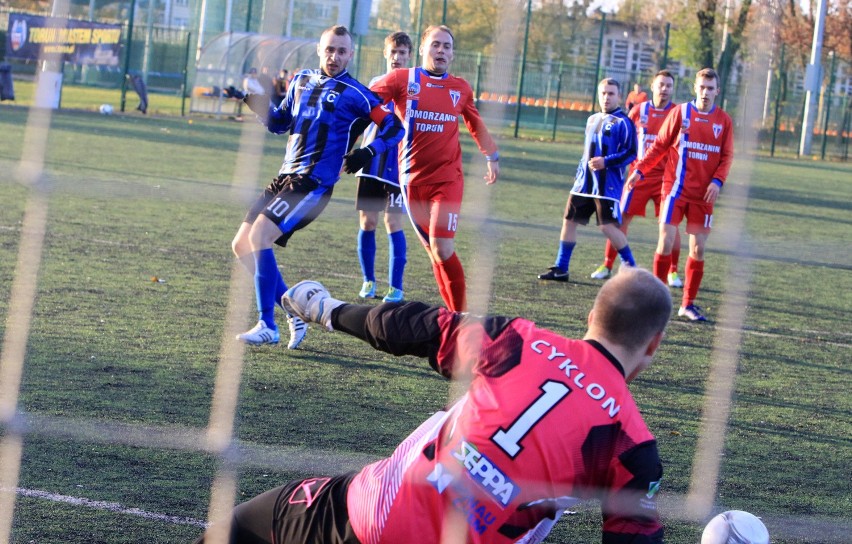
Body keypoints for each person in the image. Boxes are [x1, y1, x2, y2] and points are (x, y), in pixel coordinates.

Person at [194, 267, 670, 543]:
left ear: (591, 316)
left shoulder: (520, 341)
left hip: (373, 517)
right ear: (654, 346)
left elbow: (415, 325)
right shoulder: (632, 446)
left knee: (236, 531)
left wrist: (330, 311)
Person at [231, 25, 404, 348]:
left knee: (260, 236)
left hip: (314, 182)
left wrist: (367, 152)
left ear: (351, 54)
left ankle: (267, 323)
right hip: (285, 175)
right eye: (329, 49)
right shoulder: (300, 81)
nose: (334, 56)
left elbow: (395, 127)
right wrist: (257, 105)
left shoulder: (357, 94)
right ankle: (293, 310)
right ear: (319, 50)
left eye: (341, 51)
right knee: (242, 245)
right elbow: (282, 123)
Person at [370, 25, 500, 312]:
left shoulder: (461, 88)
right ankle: (456, 318)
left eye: (447, 46)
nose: (441, 50)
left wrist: (491, 155)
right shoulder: (402, 79)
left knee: (442, 248)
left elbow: (474, 123)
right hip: (412, 181)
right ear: (422, 49)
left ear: (453, 54)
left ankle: (464, 317)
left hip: (448, 180)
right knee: (434, 254)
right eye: (435, 45)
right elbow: (365, 101)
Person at [625, 68, 734, 322]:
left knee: (698, 249)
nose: (705, 93)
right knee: (665, 240)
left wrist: (718, 181)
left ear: (717, 91)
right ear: (695, 88)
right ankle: (656, 303)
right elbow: (660, 145)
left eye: (710, 88)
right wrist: (640, 170)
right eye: (702, 87)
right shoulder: (680, 113)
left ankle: (688, 304)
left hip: (703, 195)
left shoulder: (724, 121)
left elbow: (727, 157)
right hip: (674, 188)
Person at [538, 78, 638, 283]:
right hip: (583, 184)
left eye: (611, 93)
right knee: (569, 221)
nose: (606, 97)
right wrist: (579, 173)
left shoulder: (624, 122)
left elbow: (631, 153)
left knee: (608, 227)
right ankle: (561, 268)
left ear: (618, 96)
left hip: (606, 186)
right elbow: (586, 152)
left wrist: (606, 162)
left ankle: (633, 271)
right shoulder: (592, 119)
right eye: (603, 93)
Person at [590, 70, 684, 286]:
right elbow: (624, 139)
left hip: (667, 179)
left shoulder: (678, 113)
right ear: (652, 86)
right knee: (620, 220)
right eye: (661, 84)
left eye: (669, 85)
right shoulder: (638, 111)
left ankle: (673, 271)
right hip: (638, 177)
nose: (665, 89)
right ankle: (607, 265)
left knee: (671, 226)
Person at [353, 31, 413, 303]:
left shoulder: (416, 85)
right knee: (368, 221)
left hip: (400, 164)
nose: (397, 57)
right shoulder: (375, 84)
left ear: (410, 56)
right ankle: (368, 281)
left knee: (393, 222)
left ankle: (396, 287)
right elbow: (360, 119)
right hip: (371, 163)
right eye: (393, 52)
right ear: (385, 54)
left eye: (402, 52)